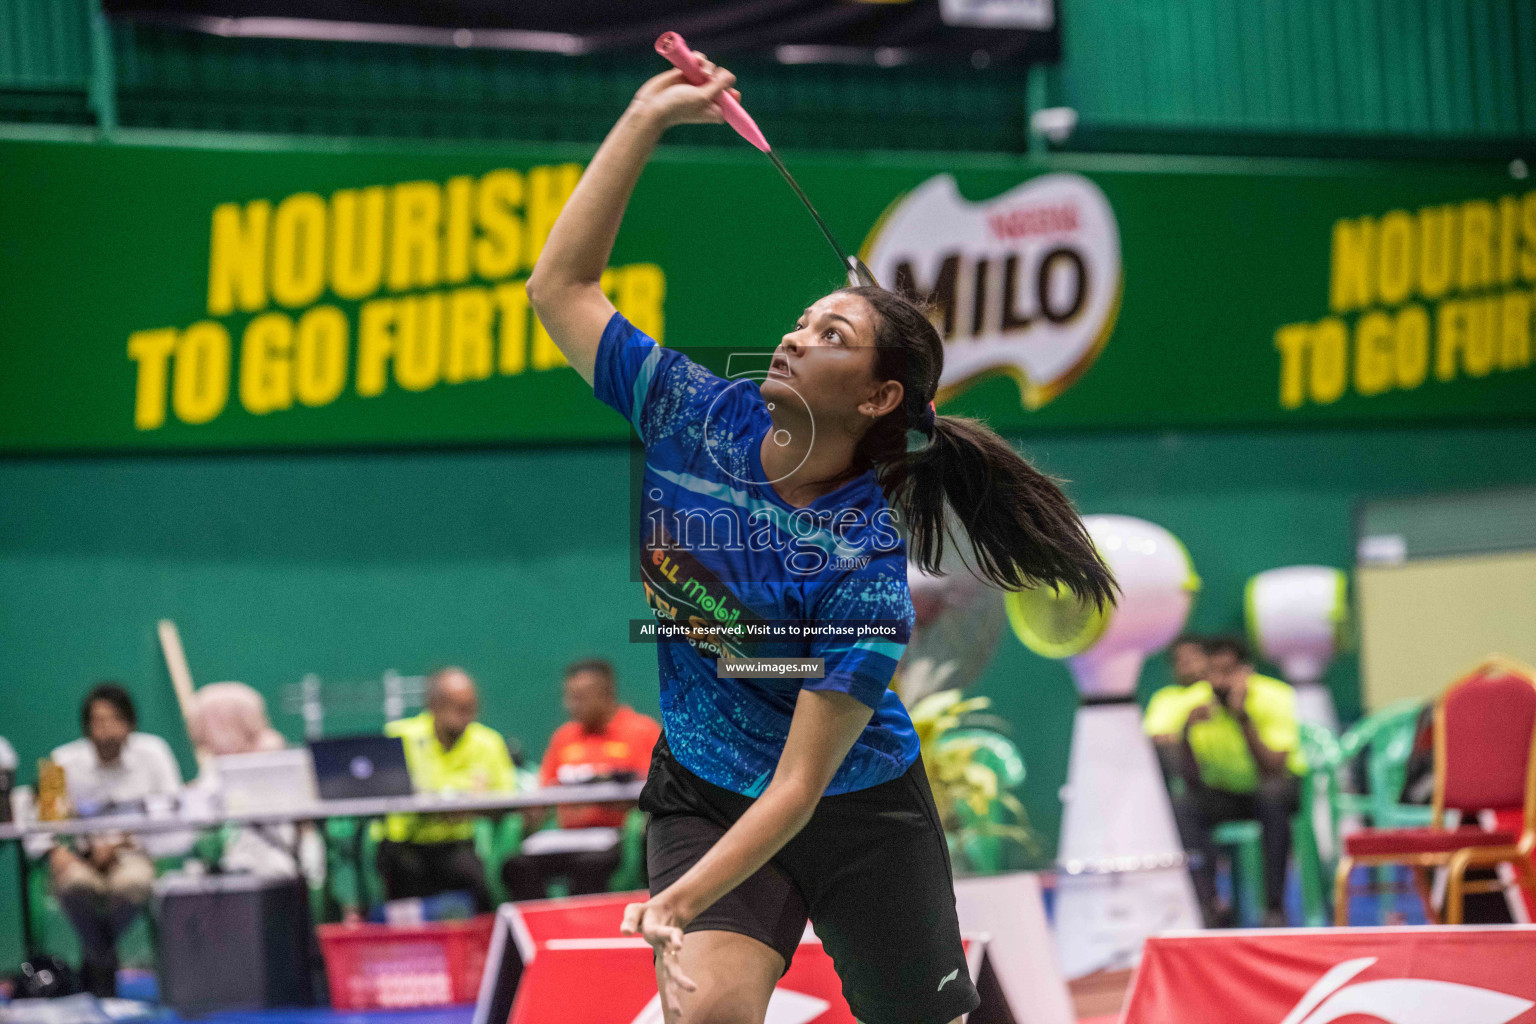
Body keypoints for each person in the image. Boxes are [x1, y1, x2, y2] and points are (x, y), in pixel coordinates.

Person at [525, 50, 1116, 1024]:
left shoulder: (864, 567)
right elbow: (561, 287)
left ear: (879, 397)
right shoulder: (694, 415)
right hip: (707, 785)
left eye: (832, 336)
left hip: (854, 810)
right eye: (804, 321)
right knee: (707, 1012)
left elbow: (801, 785)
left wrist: (672, 898)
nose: (798, 336)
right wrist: (645, 119)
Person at [1144, 636, 1305, 927]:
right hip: (1225, 793)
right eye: (1212, 672)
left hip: (1273, 789)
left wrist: (1242, 717)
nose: (1219, 681)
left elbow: (1273, 768)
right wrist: (1187, 733)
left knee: (1272, 797)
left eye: (1228, 671)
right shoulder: (1194, 703)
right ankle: (1209, 906)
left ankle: (1274, 908)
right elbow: (1190, 779)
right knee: (1184, 807)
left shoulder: (1275, 696)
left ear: (1247, 671)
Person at [43, 684, 184, 996]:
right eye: (97, 721)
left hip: (134, 854)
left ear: (130, 723)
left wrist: (118, 844)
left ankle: (97, 958)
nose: (105, 730)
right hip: (82, 857)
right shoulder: (60, 760)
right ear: (86, 726)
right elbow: (46, 824)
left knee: (131, 886)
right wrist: (58, 850)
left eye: (113, 720)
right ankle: (105, 956)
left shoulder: (155, 752)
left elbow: (174, 809)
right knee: (72, 885)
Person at [501, 659, 661, 900]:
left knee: (589, 867)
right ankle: (542, 931)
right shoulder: (563, 737)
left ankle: (582, 931)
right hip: (565, 838)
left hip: (616, 838)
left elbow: (654, 791)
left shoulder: (642, 731)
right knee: (516, 867)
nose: (570, 705)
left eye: (579, 697)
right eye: (568, 697)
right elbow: (545, 791)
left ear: (605, 694)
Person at [375, 667, 517, 913]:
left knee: (478, 888)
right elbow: (376, 790)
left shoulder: (489, 742)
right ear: (434, 704)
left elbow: (506, 802)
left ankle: (484, 947)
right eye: (457, 707)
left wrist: (474, 808)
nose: (467, 715)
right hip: (405, 845)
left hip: (457, 844)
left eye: (471, 707)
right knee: (399, 875)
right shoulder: (398, 736)